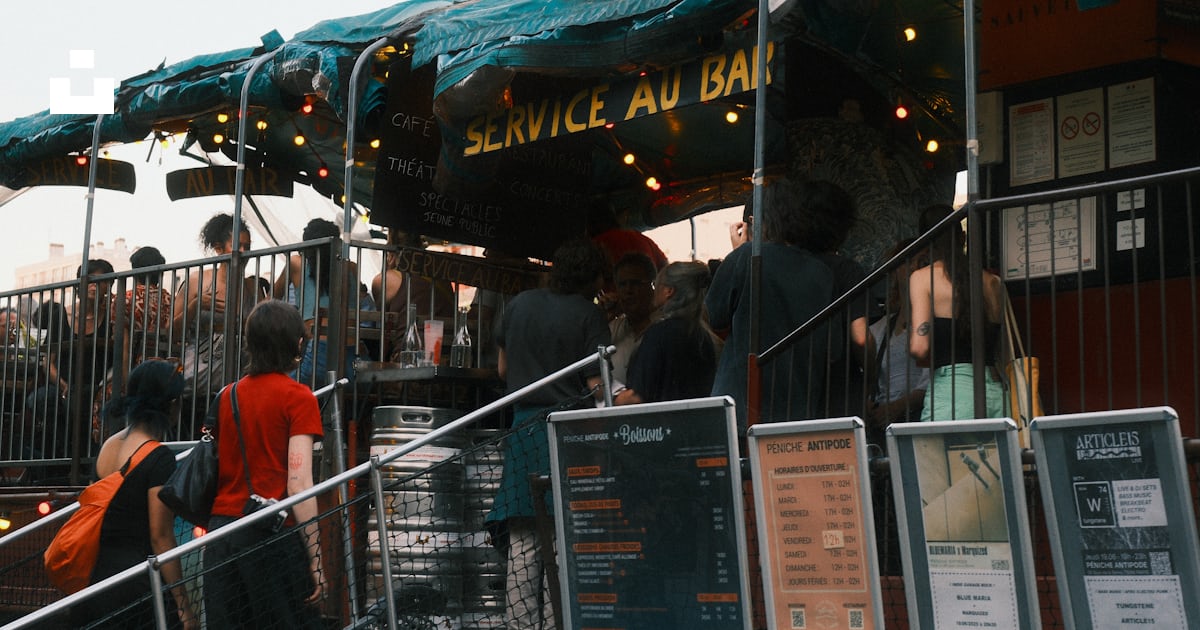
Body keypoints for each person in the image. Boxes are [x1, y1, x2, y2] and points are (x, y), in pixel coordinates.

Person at [487, 238, 611, 630]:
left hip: (523, 430)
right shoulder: (589, 316)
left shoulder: (520, 303)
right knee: (563, 541)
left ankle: (519, 624)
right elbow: (597, 383)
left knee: (524, 540)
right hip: (570, 432)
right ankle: (559, 624)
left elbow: (504, 371)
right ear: (592, 277)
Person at [203, 299, 324, 629]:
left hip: (220, 536)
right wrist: (316, 558)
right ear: (298, 343)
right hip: (271, 535)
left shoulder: (226, 396)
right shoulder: (299, 398)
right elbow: (298, 483)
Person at [70, 359, 197, 629]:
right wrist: (184, 606)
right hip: (137, 583)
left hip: (97, 577)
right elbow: (160, 536)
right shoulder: (159, 457)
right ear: (172, 404)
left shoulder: (109, 445)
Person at [706, 178, 836, 429]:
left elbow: (715, 315)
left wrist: (738, 252)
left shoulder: (747, 257)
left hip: (742, 404)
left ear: (758, 221)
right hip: (799, 405)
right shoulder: (822, 272)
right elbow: (833, 346)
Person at [908, 205, 1007, 421]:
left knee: (937, 454)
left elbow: (919, 346)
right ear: (962, 237)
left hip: (951, 392)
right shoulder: (991, 282)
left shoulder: (923, 278)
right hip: (994, 391)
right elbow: (1002, 348)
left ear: (925, 243)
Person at [172, 213, 264, 402]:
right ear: (218, 249)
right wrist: (195, 305)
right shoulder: (196, 281)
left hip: (240, 379)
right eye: (237, 246)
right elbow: (170, 331)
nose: (244, 251)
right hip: (197, 378)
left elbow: (264, 333)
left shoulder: (252, 288)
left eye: (247, 246)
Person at [274, 218, 373, 387]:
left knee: (282, 387)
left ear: (306, 246)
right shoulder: (351, 268)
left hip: (317, 360)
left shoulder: (296, 263)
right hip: (355, 361)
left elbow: (271, 300)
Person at [615, 261, 717, 404]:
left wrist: (612, 400)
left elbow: (636, 397)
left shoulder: (658, 335)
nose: (654, 290)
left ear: (669, 291)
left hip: (661, 424)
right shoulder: (704, 337)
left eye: (657, 284)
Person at [865, 239, 929, 430]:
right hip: (883, 423)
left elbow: (933, 380)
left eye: (923, 262)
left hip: (918, 420)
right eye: (907, 261)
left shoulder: (933, 324)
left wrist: (898, 407)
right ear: (894, 269)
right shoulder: (879, 329)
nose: (914, 268)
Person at [371, 230, 456, 361]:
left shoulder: (387, 280)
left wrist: (387, 267)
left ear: (391, 247)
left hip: (406, 357)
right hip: (446, 357)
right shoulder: (441, 279)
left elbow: (381, 322)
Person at [606, 253, 658, 389]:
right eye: (623, 284)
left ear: (652, 286)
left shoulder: (665, 328)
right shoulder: (611, 329)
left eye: (635, 283)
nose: (629, 290)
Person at [121, 246, 174, 365]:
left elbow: (123, 344)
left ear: (134, 271)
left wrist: (125, 381)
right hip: (166, 364)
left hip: (136, 365)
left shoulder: (125, 299)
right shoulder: (170, 299)